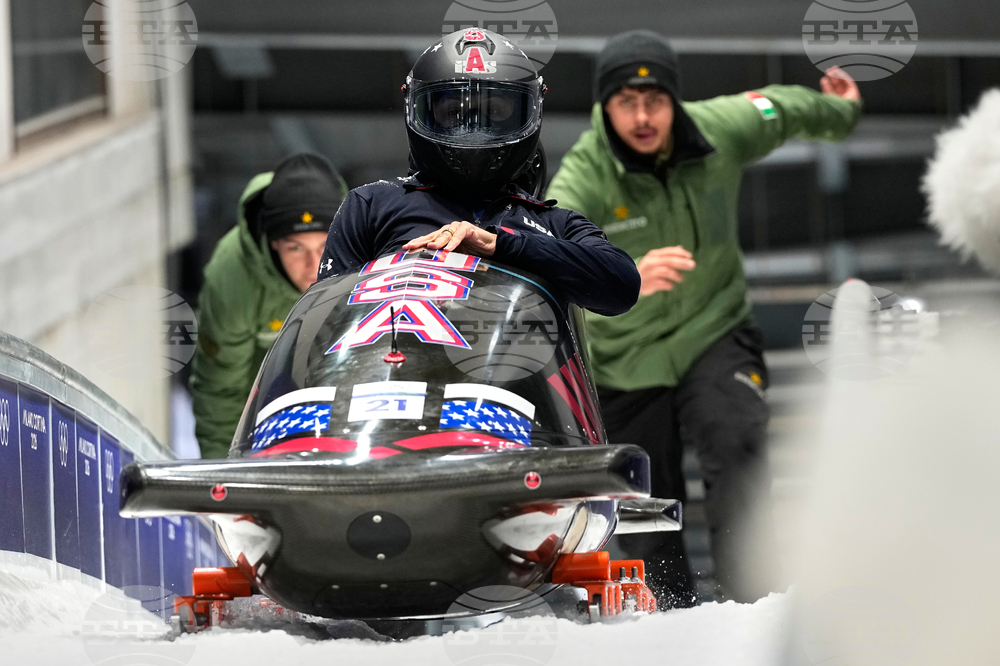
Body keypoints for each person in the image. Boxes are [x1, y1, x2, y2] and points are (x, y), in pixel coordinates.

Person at [546, 30, 863, 606]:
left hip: (712, 330)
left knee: (736, 434)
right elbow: (556, 269)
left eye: (655, 101)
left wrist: (841, 111)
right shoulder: (581, 181)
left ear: (675, 102)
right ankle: (669, 619)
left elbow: (782, 108)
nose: (643, 117)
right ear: (603, 108)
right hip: (626, 361)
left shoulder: (717, 129)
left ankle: (757, 603)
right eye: (625, 103)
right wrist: (628, 274)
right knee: (645, 501)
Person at [317, 28, 640, 318]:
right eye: (453, 113)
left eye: (495, 112)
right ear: (417, 110)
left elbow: (622, 288)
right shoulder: (372, 204)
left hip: (515, 381)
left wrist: (500, 245)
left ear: (531, 111)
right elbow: (328, 319)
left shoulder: (555, 223)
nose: (474, 130)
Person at [191, 153, 348, 458]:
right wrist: (225, 479)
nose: (313, 265)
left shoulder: (361, 248)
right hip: (258, 412)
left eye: (323, 245)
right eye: (296, 248)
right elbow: (220, 391)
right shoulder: (232, 279)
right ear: (273, 241)